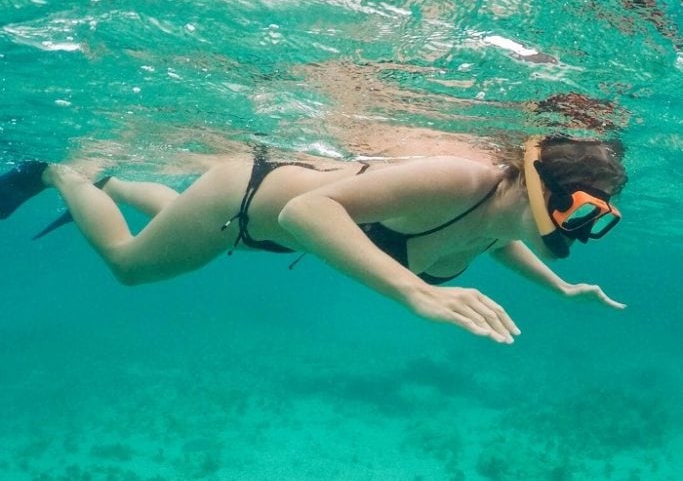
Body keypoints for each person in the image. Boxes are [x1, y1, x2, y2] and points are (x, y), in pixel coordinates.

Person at [0, 132, 626, 345]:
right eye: (579, 212)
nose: (581, 230)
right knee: (130, 265)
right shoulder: (463, 178)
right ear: (536, 187)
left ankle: (107, 181)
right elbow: (304, 213)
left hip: (253, 232)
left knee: (195, 229)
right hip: (247, 198)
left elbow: (497, 240)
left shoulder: (504, 212)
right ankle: (59, 171)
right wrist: (413, 293)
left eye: (596, 220)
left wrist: (561, 287)